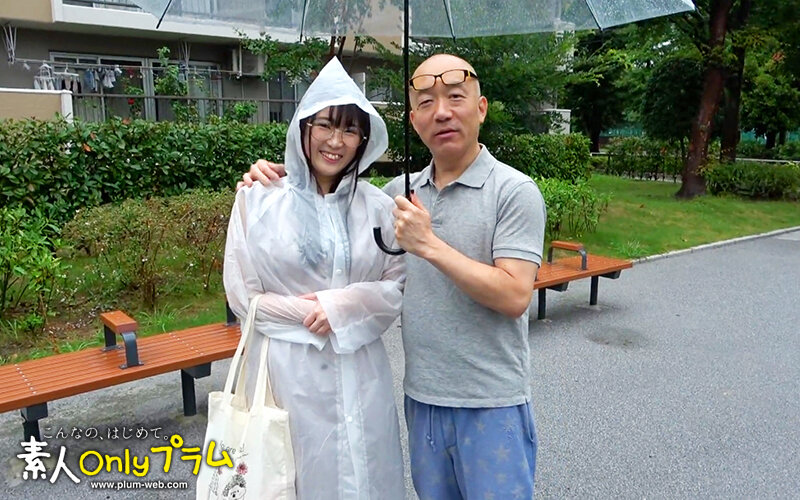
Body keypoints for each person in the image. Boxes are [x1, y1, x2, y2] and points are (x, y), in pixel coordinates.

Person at [240, 53, 546, 499]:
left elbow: (516, 295)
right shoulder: (396, 195)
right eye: (426, 102)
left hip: (490, 401)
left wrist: (429, 244)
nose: (442, 112)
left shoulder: (514, 191)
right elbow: (329, 200)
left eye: (455, 97)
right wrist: (286, 173)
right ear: (414, 120)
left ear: (481, 108)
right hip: (421, 399)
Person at [223, 57, 405, 499]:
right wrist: (310, 313)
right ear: (303, 127)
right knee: (291, 475)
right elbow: (243, 295)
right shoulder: (258, 201)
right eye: (325, 125)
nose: (336, 141)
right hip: (287, 374)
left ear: (365, 140)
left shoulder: (378, 208)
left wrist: (341, 307)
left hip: (361, 372)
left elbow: (396, 285)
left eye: (350, 130)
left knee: (365, 475)